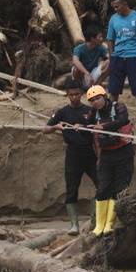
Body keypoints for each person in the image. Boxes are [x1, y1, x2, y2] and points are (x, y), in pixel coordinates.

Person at [43, 79, 96, 233]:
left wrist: (85, 127)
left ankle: (94, 219)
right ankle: (74, 225)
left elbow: (97, 128)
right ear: (67, 95)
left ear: (82, 94)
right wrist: (56, 127)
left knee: (102, 185)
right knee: (71, 189)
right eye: (71, 94)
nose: (74, 97)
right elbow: (45, 129)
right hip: (72, 154)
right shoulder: (63, 112)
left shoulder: (89, 111)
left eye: (77, 94)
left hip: (89, 153)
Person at [85, 84, 134, 237]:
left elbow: (123, 120)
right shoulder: (94, 112)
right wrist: (81, 126)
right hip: (106, 154)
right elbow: (89, 123)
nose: (95, 102)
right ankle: (99, 224)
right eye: (92, 100)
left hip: (123, 153)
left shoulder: (118, 107)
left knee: (119, 188)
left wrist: (103, 127)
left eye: (98, 98)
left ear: (104, 97)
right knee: (102, 188)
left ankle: (110, 224)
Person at [105, 0, 136, 122]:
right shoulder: (113, 19)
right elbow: (110, 39)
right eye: (113, 7)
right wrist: (112, 55)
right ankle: (111, 115)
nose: (115, 9)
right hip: (118, 58)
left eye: (117, 6)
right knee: (113, 90)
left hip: (135, 57)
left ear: (125, 3)